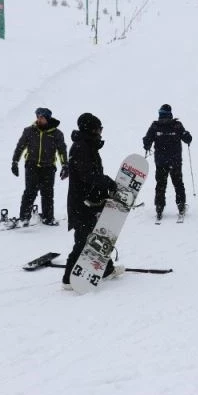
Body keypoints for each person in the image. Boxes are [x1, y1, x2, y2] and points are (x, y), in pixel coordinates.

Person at [62, 113, 122, 289]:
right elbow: (87, 175)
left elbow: (91, 175)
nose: (101, 132)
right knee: (84, 240)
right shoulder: (82, 147)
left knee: (96, 236)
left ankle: (106, 269)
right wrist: (107, 182)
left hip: (89, 201)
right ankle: (68, 279)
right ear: (92, 129)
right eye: (99, 128)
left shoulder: (87, 146)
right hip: (82, 203)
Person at [11, 107, 67, 225]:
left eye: (41, 117)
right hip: (32, 166)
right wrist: (15, 162)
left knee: (47, 194)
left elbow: (62, 151)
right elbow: (20, 147)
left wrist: (65, 165)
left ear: (47, 118)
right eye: (38, 117)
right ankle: (24, 218)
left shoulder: (56, 133)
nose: (39, 119)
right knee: (30, 192)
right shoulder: (29, 131)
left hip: (48, 167)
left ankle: (48, 218)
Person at [142, 104, 192, 220]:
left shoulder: (155, 126)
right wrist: (186, 135)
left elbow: (147, 141)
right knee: (178, 183)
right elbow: (187, 139)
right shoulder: (177, 125)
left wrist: (147, 144)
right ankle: (181, 205)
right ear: (170, 114)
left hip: (161, 162)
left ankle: (159, 207)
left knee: (160, 184)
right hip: (175, 161)